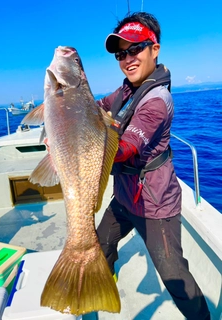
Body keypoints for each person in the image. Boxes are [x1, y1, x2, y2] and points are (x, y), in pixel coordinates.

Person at [96, 12, 210, 320]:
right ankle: (106, 285)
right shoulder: (124, 91)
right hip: (124, 196)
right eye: (121, 53)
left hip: (155, 204)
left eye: (136, 49)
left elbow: (124, 149)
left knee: (174, 276)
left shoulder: (157, 99)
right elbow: (99, 107)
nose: (128, 58)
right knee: (98, 244)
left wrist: (82, 147)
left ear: (154, 49)